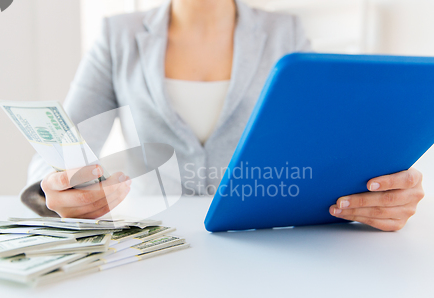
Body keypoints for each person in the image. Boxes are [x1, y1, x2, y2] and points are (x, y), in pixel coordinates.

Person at [21, 0, 424, 231]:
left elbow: (324, 145)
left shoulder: (286, 32)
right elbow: (59, 148)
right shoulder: (117, 36)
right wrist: (54, 187)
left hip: (260, 241)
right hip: (152, 241)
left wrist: (378, 188)